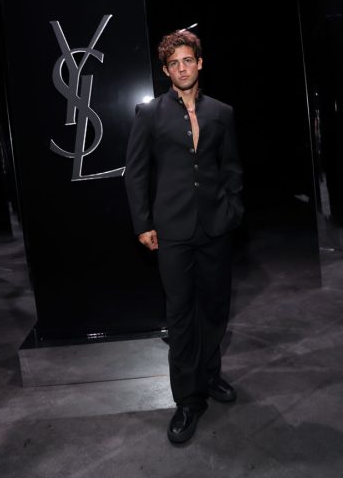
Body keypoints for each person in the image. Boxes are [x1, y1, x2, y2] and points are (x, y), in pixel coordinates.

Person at [124, 29, 244, 444]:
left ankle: (210, 375)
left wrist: (232, 209)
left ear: (199, 63)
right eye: (173, 63)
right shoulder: (150, 114)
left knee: (215, 308)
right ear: (166, 70)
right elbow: (136, 173)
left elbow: (231, 168)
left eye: (187, 60)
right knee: (180, 315)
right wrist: (143, 223)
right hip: (171, 231)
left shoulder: (222, 113)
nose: (181, 68)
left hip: (215, 227)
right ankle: (188, 400)